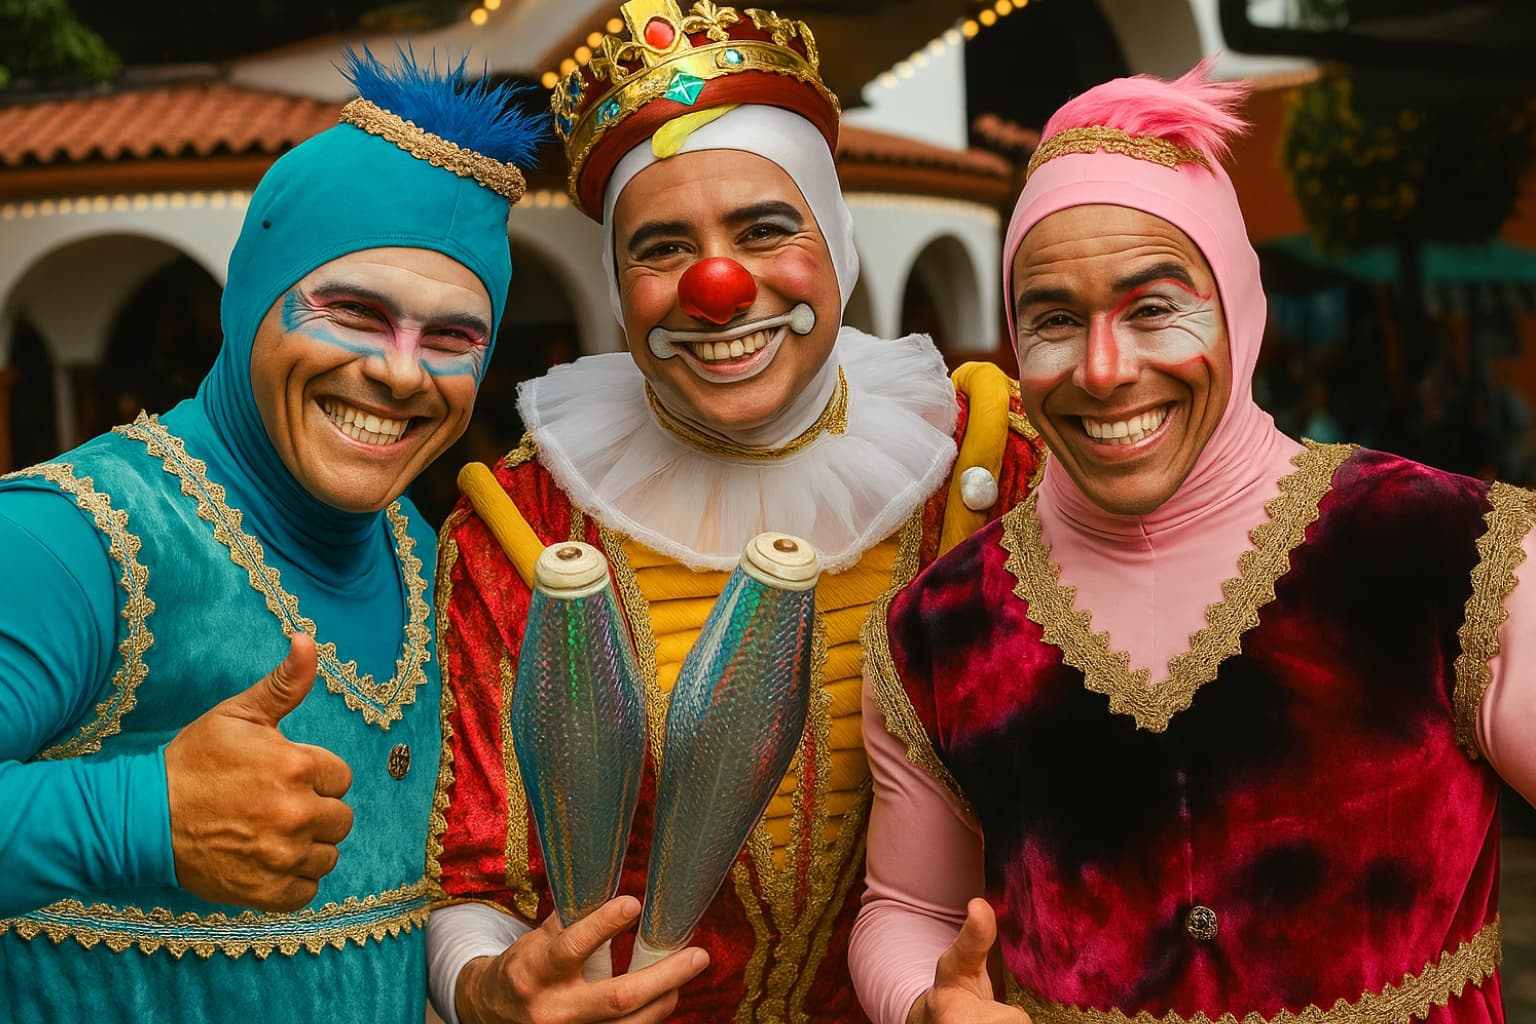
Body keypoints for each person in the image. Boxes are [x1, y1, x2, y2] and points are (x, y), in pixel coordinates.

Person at [850, 62, 1536, 1024]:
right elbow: (909, 907)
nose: (1102, 369)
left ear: (1239, 311)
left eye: (1154, 307)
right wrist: (925, 1003)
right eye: (1053, 319)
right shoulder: (936, 630)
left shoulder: (1450, 551)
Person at [423, 2, 1045, 1022]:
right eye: (663, 248)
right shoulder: (524, 522)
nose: (718, 286)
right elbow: (474, 875)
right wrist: (484, 988)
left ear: (835, 241)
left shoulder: (997, 465)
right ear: (618, 288)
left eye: (764, 229)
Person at [0, 50, 542, 1021]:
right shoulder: (70, 537)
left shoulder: (432, 563)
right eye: (354, 313)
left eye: (453, 338)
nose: (401, 374)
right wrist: (142, 821)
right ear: (252, 299)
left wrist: (480, 987)